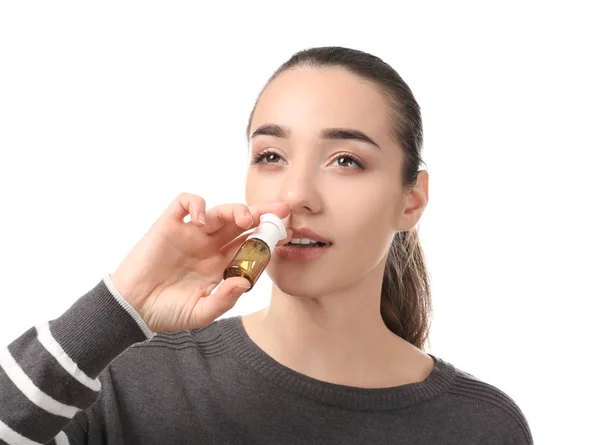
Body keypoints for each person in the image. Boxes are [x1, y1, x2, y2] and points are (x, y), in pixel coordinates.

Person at [0, 46, 533, 444]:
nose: (296, 194)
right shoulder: (130, 383)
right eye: (271, 156)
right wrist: (119, 305)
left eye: (346, 160)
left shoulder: (483, 427)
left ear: (411, 201)